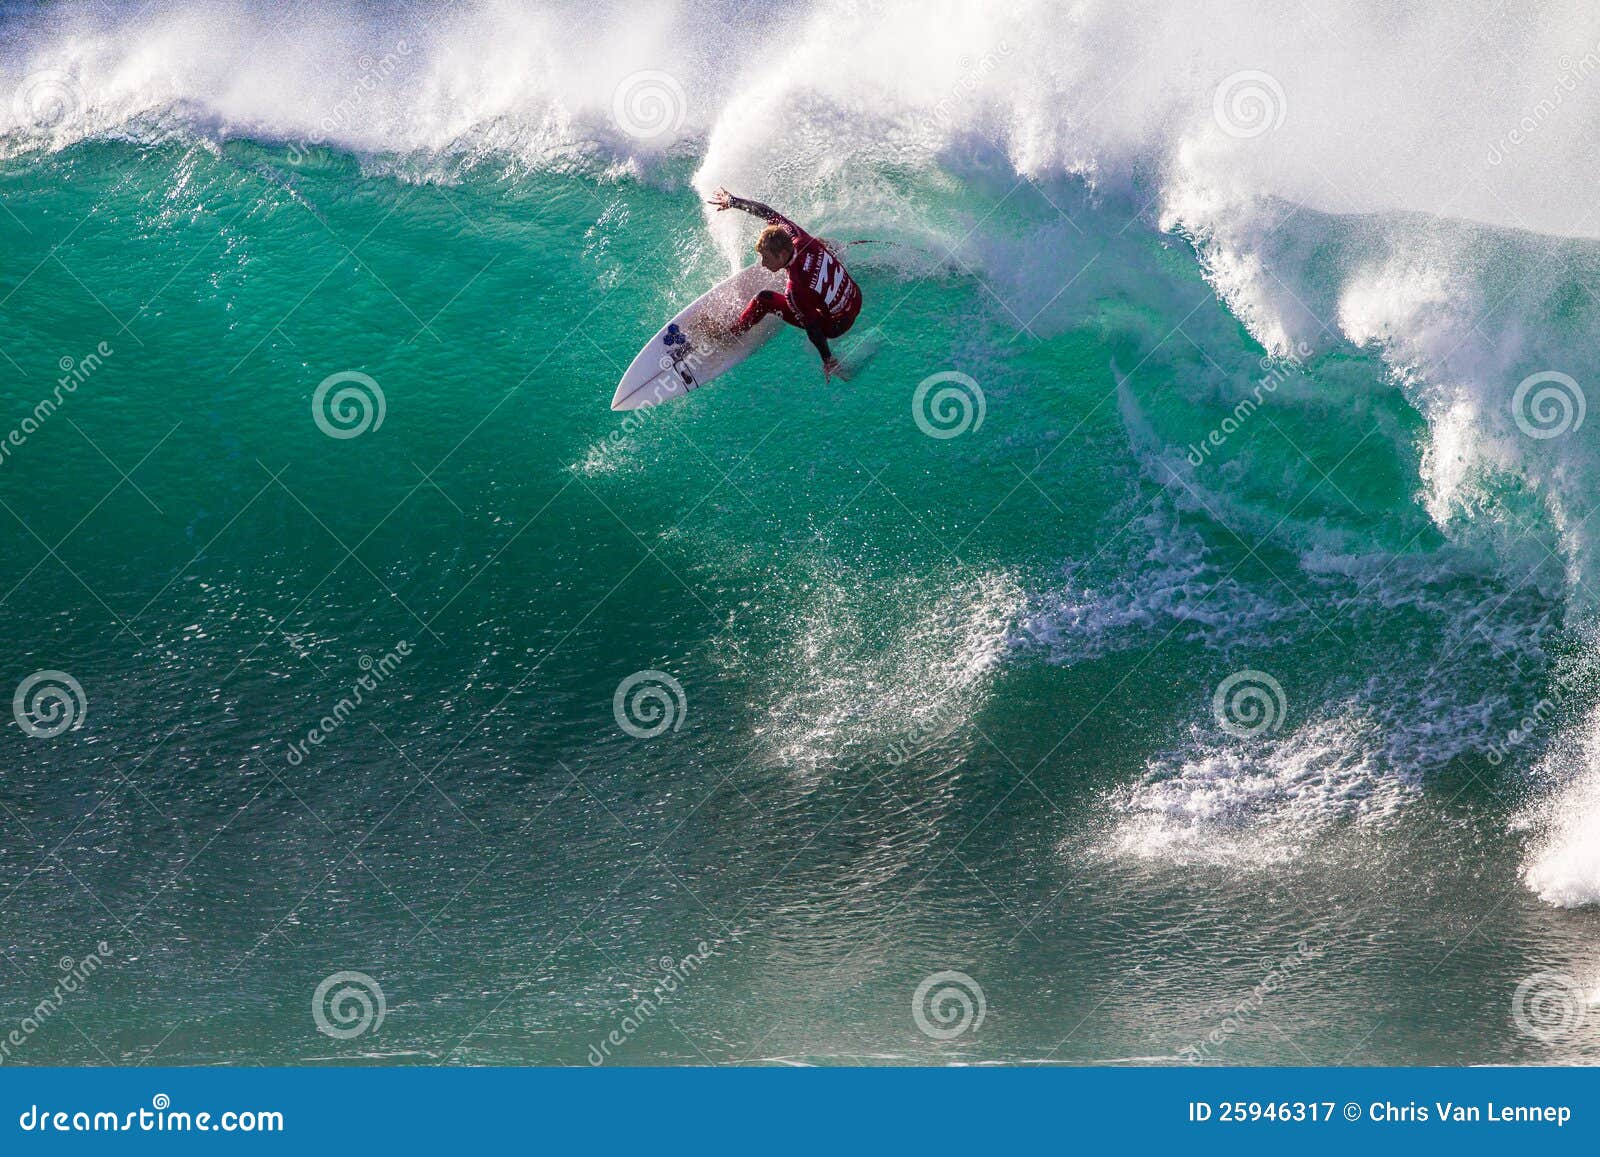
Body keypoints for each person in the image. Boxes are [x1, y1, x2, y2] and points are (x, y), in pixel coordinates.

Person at [707, 187, 862, 381]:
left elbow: (813, 328)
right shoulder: (798, 236)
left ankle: (729, 336)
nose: (762, 263)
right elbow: (767, 212)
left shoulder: (794, 289)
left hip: (837, 325)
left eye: (765, 257)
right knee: (819, 243)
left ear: (781, 254)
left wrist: (827, 359)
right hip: (856, 297)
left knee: (764, 299)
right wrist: (733, 201)